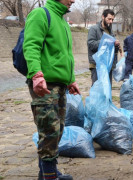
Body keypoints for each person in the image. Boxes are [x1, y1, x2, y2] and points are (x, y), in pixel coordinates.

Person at [23, 0, 79, 179]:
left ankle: (47, 173)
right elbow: (31, 45)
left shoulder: (62, 21)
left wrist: (71, 80)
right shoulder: (41, 15)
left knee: (58, 130)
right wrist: (36, 75)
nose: (73, 0)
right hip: (45, 85)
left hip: (61, 86)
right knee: (49, 130)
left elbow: (64, 55)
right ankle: (50, 176)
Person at [87, 9, 122, 86]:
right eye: (109, 19)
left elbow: (111, 49)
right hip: (96, 65)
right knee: (97, 90)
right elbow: (91, 44)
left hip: (108, 66)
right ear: (103, 17)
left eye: (112, 19)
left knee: (107, 90)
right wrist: (105, 41)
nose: (111, 22)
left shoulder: (110, 31)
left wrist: (115, 45)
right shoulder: (94, 29)